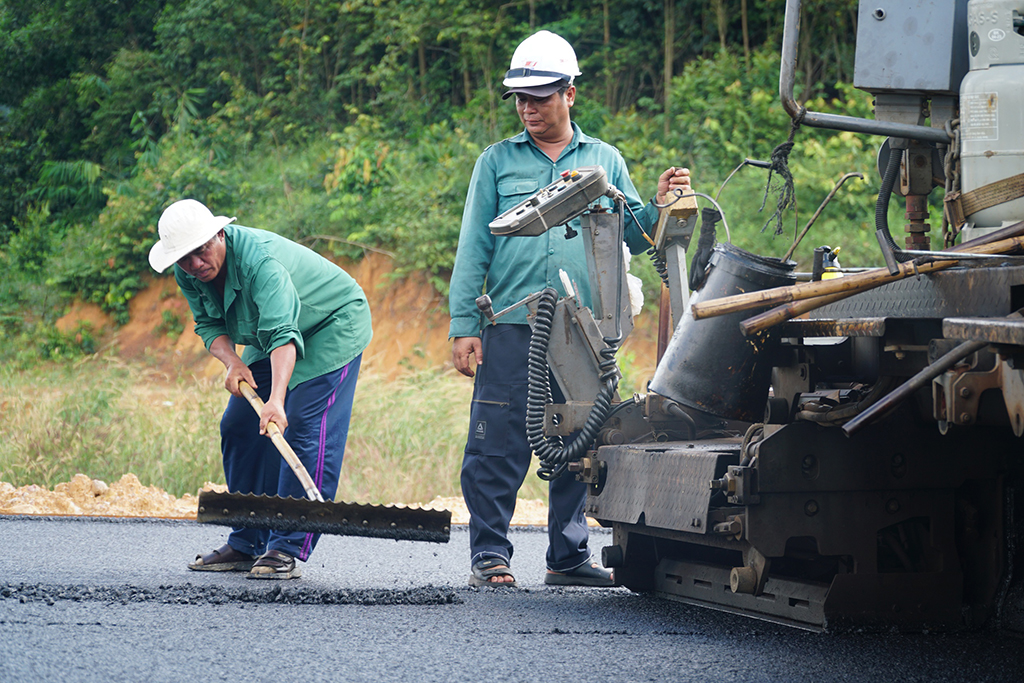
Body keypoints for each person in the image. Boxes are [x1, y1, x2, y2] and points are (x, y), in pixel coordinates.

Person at [448, 30, 692, 587]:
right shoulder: (496, 163)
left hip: (585, 328)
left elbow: (636, 236)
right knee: (498, 439)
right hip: (512, 323)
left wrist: (658, 203)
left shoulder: (604, 159)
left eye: (540, 96)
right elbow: (472, 248)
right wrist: (464, 326)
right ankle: (490, 556)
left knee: (583, 437)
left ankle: (567, 555)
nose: (529, 108)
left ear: (570, 94)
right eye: (521, 99)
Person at [148, 199, 372, 579]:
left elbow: (284, 335)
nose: (196, 264)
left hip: (330, 325)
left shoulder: (259, 263)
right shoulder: (187, 271)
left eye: (202, 251)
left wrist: (277, 401)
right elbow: (208, 326)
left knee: (300, 425)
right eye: (185, 258)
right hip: (268, 332)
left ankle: (285, 546)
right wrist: (232, 362)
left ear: (219, 234)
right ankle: (247, 538)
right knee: (238, 425)